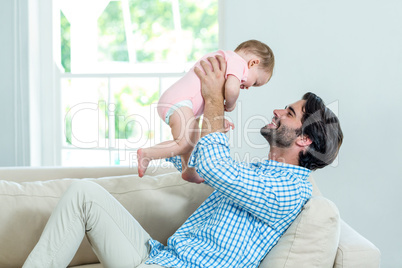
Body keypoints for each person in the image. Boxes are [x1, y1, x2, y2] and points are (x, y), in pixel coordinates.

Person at [23, 56, 343, 268]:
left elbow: (216, 167)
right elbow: (198, 171)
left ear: (305, 140)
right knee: (83, 194)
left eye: (289, 113)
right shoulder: (258, 172)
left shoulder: (290, 190)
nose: (277, 110)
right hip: (162, 257)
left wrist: (215, 97)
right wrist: (194, 130)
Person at [137, 40, 275, 183]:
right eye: (256, 82)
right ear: (253, 63)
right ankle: (148, 154)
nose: (248, 87)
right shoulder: (237, 61)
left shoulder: (226, 62)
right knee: (184, 143)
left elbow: (206, 100)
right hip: (179, 101)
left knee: (193, 142)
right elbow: (232, 90)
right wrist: (231, 104)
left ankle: (188, 171)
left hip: (185, 103)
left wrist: (220, 121)